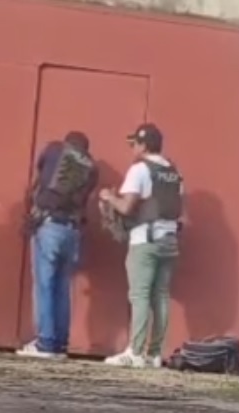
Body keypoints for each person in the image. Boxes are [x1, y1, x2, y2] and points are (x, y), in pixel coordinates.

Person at [100, 123, 184, 368]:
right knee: (161, 296)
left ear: (143, 145)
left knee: (139, 295)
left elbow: (126, 207)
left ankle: (134, 352)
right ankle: (154, 354)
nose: (132, 149)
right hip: (170, 239)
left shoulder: (140, 170)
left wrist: (108, 197)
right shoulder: (173, 172)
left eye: (134, 144)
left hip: (145, 241)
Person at [16, 132, 98, 359]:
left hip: (49, 224)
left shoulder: (54, 149)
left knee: (44, 285)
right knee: (62, 287)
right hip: (72, 231)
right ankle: (60, 343)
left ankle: (45, 343)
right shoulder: (92, 168)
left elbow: (40, 177)